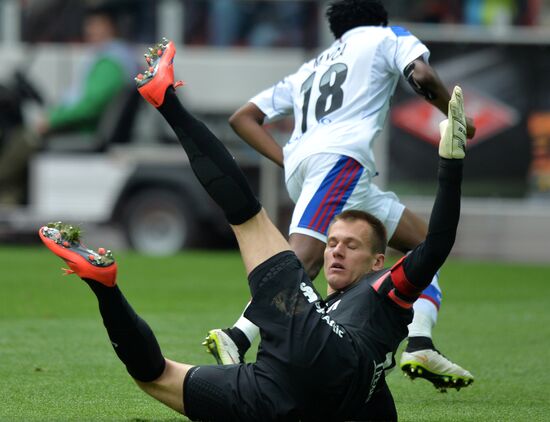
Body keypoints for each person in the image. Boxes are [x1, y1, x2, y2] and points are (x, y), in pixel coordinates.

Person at [40, 37, 469, 421]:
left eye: (350, 246)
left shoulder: (385, 291)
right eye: (333, 242)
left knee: (248, 218)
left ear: (379, 261)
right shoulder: (363, 347)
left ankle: (166, 101)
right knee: (155, 377)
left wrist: (451, 166)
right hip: (279, 390)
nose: (334, 252)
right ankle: (104, 287)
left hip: (320, 355)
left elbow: (436, 245)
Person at [204, 0, 476, 391]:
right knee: (304, 261)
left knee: (426, 248)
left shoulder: (311, 67)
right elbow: (422, 74)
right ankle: (239, 334)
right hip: (339, 160)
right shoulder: (387, 36)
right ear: (378, 18)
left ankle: (418, 343)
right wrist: (458, 118)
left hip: (321, 168)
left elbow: (243, 117)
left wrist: (292, 159)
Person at [0, 3, 139, 205]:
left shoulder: (111, 62)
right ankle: (13, 197)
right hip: (84, 125)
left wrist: (51, 119)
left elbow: (89, 105)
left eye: (97, 25)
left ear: (112, 27)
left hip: (85, 129)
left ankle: (7, 198)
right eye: (89, 25)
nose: (90, 31)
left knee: (23, 139)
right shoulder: (111, 58)